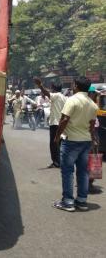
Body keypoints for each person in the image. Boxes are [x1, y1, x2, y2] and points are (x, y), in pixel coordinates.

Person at [52, 77, 98, 212]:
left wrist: (56, 136)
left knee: (67, 171)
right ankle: (82, 201)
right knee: (83, 172)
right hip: (86, 142)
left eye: (73, 84)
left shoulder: (71, 100)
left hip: (71, 141)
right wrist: (93, 140)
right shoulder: (93, 104)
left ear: (76, 86)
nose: (72, 86)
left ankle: (68, 202)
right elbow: (91, 126)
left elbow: (64, 119)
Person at [34, 78, 67, 168]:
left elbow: (46, 93)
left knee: (53, 143)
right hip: (62, 123)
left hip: (55, 123)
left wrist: (40, 85)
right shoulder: (64, 97)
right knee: (59, 143)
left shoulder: (56, 95)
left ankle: (56, 162)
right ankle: (60, 161)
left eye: (51, 87)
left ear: (53, 88)